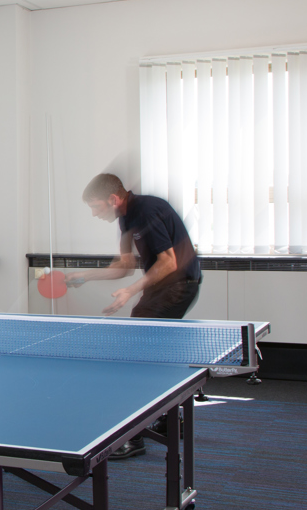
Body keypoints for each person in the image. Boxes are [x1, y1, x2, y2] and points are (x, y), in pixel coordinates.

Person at [65, 173, 202, 460]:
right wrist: (85, 276)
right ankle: (168, 420)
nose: (93, 213)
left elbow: (169, 261)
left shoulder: (147, 210)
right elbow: (124, 265)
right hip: (164, 287)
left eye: (95, 206)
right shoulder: (126, 217)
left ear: (113, 199)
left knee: (134, 356)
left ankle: (133, 437)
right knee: (152, 356)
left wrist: (129, 292)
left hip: (178, 285)